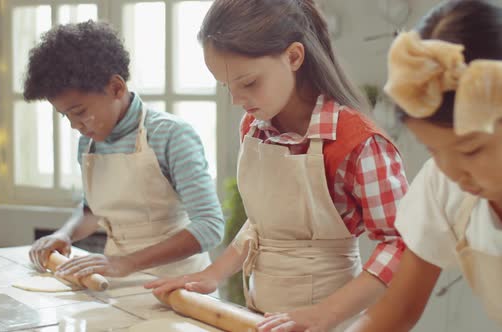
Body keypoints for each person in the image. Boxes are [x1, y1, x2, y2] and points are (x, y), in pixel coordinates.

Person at [145, 1, 409, 331]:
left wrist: (323, 314)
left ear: (294, 57)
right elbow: (262, 223)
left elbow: (401, 245)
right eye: (227, 86)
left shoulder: (359, 143)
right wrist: (211, 275)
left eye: (249, 82)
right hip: (258, 317)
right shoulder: (255, 129)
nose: (236, 100)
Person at [23, 20, 225, 280]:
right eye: (66, 116)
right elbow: (91, 210)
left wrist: (127, 263)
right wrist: (64, 234)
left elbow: (210, 226)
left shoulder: (171, 135)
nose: (75, 126)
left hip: (177, 284)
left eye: (80, 112)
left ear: (116, 87)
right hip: (116, 280)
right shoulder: (89, 143)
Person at [347, 1, 502, 330]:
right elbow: (398, 309)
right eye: (433, 151)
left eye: (471, 150)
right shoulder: (445, 187)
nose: (452, 172)